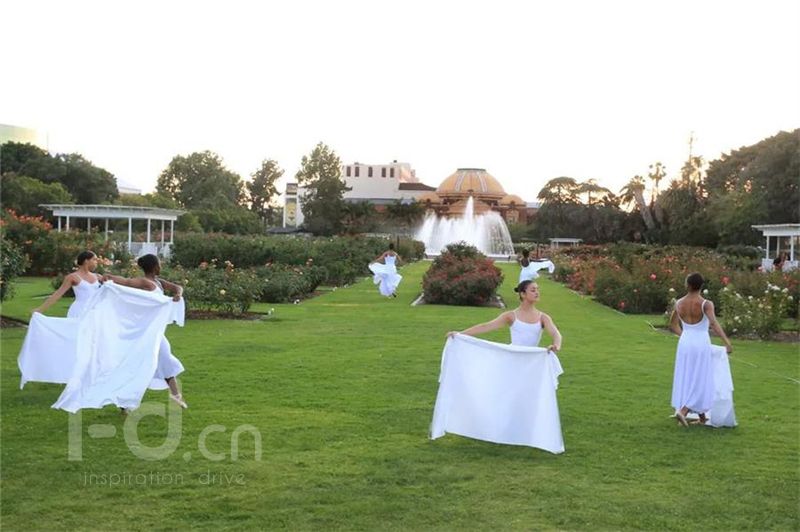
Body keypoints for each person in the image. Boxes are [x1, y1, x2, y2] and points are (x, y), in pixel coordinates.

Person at [103, 254, 187, 409]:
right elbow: (126, 282)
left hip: (155, 332)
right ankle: (124, 401)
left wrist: (178, 294)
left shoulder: (159, 282)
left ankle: (175, 395)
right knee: (139, 365)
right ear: (154, 267)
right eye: (159, 264)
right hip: (143, 332)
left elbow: (177, 287)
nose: (161, 267)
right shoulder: (144, 282)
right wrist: (110, 277)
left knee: (165, 358)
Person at [668, 272, 733, 427]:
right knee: (701, 378)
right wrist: (727, 342)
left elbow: (673, 325)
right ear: (701, 286)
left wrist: (686, 336)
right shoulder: (706, 304)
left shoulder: (679, 303)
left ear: (687, 285)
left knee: (689, 375)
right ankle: (683, 411)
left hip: (685, 343)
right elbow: (713, 324)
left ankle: (702, 417)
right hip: (701, 343)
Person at [448, 279, 562, 352]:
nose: (537, 293)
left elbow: (556, 334)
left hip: (532, 359)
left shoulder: (543, 318)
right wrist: (460, 334)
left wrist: (556, 346)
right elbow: (486, 326)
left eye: (537, 290)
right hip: (513, 357)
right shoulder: (511, 316)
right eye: (533, 290)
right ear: (523, 294)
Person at [33, 250, 102, 318]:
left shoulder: (97, 276)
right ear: (86, 261)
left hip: (95, 311)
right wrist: (40, 309)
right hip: (80, 310)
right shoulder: (73, 277)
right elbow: (58, 294)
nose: (96, 262)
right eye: (94, 259)